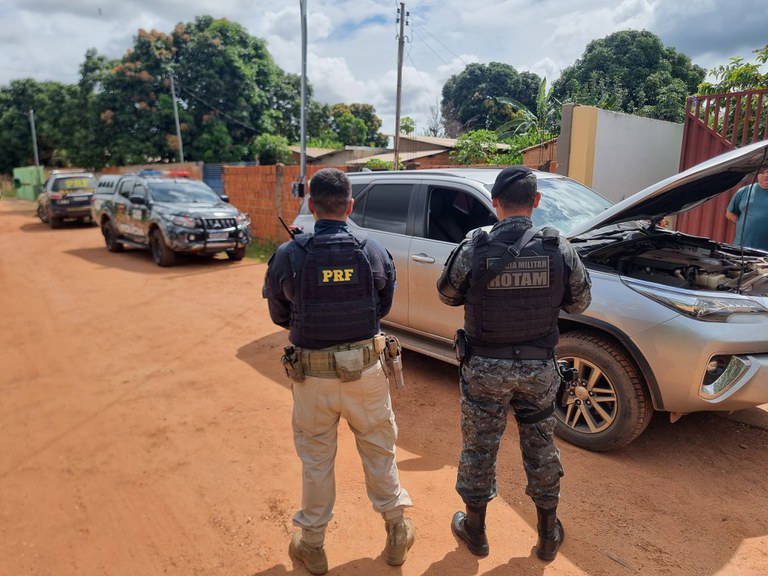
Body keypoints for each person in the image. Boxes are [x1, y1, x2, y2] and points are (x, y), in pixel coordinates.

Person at [262, 168, 414, 575]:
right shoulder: (373, 249)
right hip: (366, 373)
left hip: (312, 379)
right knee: (380, 452)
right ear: (350, 206)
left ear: (311, 206)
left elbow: (280, 314)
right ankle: (398, 531)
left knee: (316, 460)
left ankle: (312, 546)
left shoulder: (289, 253)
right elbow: (382, 306)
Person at [436, 165, 592, 562]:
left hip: (484, 368)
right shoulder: (559, 246)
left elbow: (448, 294)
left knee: (478, 448)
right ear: (536, 202)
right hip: (539, 369)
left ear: (496, 203)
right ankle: (547, 535)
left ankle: (476, 531)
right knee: (541, 447)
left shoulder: (476, 245)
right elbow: (581, 302)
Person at [725, 166, 768, 251]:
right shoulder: (744, 191)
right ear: (757, 174)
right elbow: (729, 214)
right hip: (741, 248)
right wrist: (745, 223)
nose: (766, 175)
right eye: (762, 172)